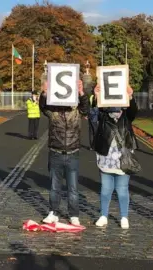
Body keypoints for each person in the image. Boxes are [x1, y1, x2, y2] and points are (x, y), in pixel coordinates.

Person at [39, 80, 89, 226]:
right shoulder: (52, 112)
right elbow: (43, 107)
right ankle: (53, 212)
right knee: (55, 186)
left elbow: (86, 109)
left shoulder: (76, 111)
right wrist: (44, 92)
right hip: (56, 152)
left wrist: (81, 92)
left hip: (73, 152)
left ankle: (74, 215)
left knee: (72, 188)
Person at [93, 84, 138, 229]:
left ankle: (124, 216)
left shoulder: (126, 116)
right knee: (106, 189)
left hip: (123, 157)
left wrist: (130, 96)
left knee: (122, 189)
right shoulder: (103, 114)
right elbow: (93, 113)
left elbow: (133, 111)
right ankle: (104, 215)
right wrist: (97, 96)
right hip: (106, 157)